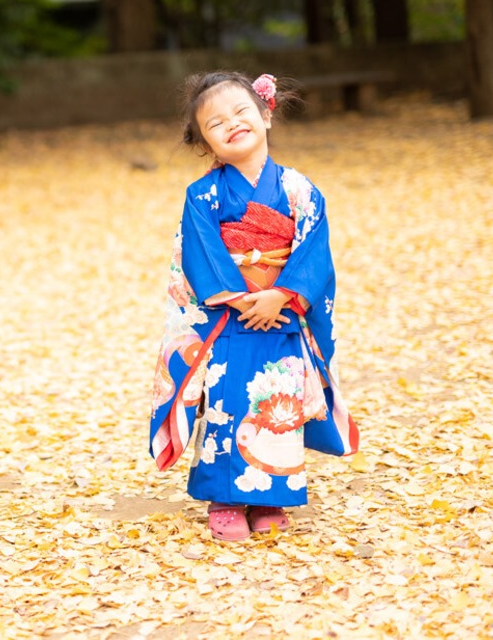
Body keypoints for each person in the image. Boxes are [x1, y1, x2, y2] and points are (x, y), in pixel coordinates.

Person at [149, 70, 359, 542]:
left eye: (242, 112)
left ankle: (271, 496)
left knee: (276, 400)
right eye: (216, 123)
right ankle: (224, 499)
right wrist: (245, 299)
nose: (232, 124)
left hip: (281, 314)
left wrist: (282, 294)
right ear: (205, 143)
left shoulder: (300, 190)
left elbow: (313, 249)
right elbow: (200, 254)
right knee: (227, 400)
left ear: (266, 114)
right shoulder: (202, 195)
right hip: (231, 317)